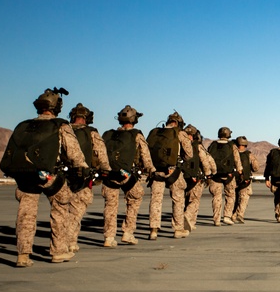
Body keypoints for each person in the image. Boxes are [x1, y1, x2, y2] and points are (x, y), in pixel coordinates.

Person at [0, 88, 89, 266]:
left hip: (25, 178)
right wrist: (82, 168)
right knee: (61, 206)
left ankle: (23, 255)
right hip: (49, 178)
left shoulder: (23, 126)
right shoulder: (60, 125)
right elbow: (74, 154)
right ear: (57, 107)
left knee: (25, 215)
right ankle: (58, 251)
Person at [101, 105, 155, 247]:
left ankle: (109, 237)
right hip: (127, 176)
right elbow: (146, 156)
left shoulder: (108, 135)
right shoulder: (136, 135)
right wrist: (151, 170)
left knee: (110, 206)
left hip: (109, 175)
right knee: (135, 197)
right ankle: (128, 232)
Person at [67, 103, 111, 253]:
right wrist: (105, 169)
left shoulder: (62, 130)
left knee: (61, 211)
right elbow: (101, 152)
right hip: (82, 178)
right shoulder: (91, 132)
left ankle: (68, 241)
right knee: (77, 209)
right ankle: (67, 242)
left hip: (61, 178)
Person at [147, 112, 194, 240]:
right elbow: (189, 154)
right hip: (173, 171)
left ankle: (153, 229)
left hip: (156, 171)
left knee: (156, 200)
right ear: (178, 123)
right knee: (178, 199)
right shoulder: (180, 133)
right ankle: (178, 229)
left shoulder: (155, 133)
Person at [181, 125, 216, 232]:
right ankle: (187, 216)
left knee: (183, 200)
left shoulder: (179, 145)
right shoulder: (198, 147)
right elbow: (206, 161)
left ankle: (190, 223)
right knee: (194, 200)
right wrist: (209, 173)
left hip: (182, 177)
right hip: (196, 177)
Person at [207, 127, 243, 226]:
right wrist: (239, 170)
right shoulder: (232, 145)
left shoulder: (213, 145)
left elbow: (208, 158)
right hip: (229, 175)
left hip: (215, 175)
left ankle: (216, 219)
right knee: (230, 195)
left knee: (216, 196)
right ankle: (227, 216)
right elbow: (237, 158)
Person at [233, 136, 260, 223]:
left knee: (233, 198)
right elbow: (256, 167)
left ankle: (232, 215)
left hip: (232, 180)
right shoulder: (249, 155)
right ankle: (240, 214)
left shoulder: (231, 154)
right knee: (244, 198)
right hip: (245, 180)